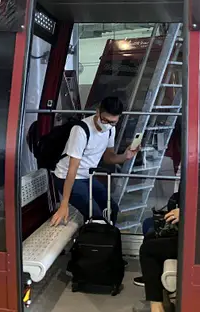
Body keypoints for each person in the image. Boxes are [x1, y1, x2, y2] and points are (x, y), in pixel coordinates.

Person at [50, 96, 138, 225]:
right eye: (105, 120)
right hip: (66, 177)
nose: (108, 125)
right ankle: (95, 239)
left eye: (113, 122)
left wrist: (125, 156)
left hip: (87, 176)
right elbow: (72, 168)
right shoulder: (81, 130)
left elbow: (109, 158)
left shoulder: (110, 130)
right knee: (96, 217)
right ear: (97, 112)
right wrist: (64, 204)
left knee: (112, 209)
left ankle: (107, 238)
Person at [125, 191, 180, 312]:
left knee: (148, 250)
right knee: (151, 235)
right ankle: (165, 305)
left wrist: (187, 212)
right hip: (198, 234)